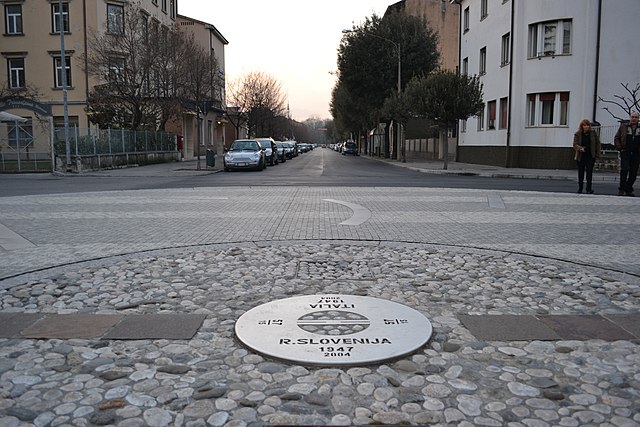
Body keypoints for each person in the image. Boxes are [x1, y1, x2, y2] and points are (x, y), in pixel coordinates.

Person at [614, 111, 640, 196]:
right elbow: (617, 138)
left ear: (638, 118)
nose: (634, 119)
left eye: (636, 117)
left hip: (636, 153)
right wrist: (620, 148)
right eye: (632, 117)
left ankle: (628, 188)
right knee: (624, 170)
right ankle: (621, 189)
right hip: (625, 152)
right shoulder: (624, 127)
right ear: (630, 117)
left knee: (633, 173)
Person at [572, 119, 601, 194]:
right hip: (581, 156)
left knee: (589, 172)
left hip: (590, 156)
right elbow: (574, 144)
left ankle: (589, 188)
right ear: (581, 126)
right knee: (581, 172)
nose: (586, 127)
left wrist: (597, 154)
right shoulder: (578, 134)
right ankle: (580, 188)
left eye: (587, 125)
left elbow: (598, 143)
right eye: (584, 125)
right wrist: (580, 148)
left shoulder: (593, 133)